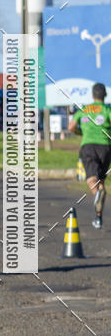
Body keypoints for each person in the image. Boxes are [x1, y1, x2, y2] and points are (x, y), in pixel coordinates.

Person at [68, 82, 111, 228]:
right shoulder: (107, 110)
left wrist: (81, 132)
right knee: (101, 183)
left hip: (88, 146)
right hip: (105, 147)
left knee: (92, 181)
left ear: (92, 95)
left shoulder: (84, 109)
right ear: (104, 95)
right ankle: (98, 218)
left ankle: (97, 196)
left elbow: (71, 127)